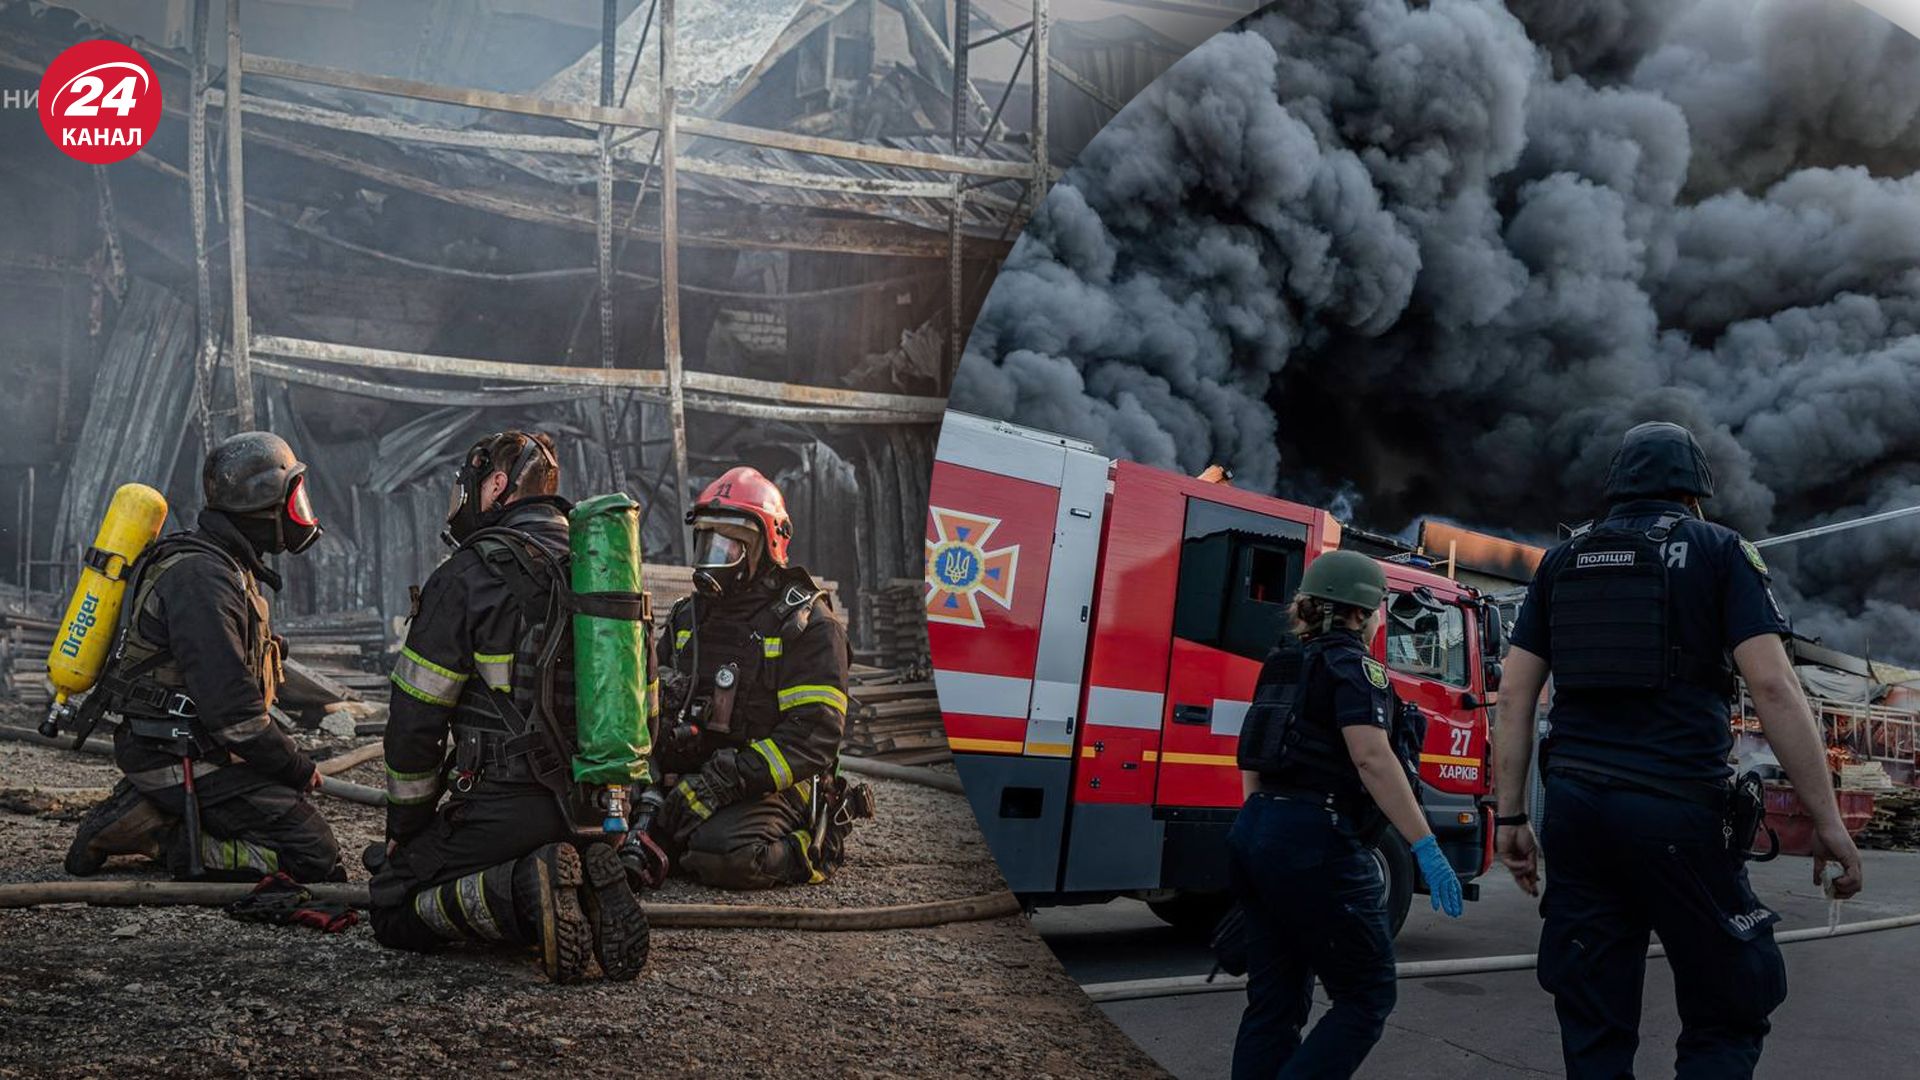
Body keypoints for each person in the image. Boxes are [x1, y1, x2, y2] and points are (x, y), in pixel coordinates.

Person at [1493, 420, 1865, 1079]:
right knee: (1729, 1002)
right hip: (1675, 812)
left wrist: (1512, 819)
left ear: (1615, 490)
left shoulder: (1561, 561)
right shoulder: (1720, 551)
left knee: (1592, 1023)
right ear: (1696, 494)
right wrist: (1828, 822)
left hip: (1575, 814)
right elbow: (1774, 688)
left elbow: (1516, 697)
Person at [368, 431, 649, 985]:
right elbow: (646, 707)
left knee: (393, 904)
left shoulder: (468, 575)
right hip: (602, 806)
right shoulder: (603, 576)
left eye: (469, 487)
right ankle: (588, 884)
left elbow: (414, 723)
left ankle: (527, 890)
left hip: (509, 804)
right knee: (557, 855)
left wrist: (407, 826)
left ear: (497, 486)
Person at [65, 432, 344, 883]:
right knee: (313, 856)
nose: (301, 513)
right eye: (293, 498)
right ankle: (158, 834)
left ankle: (153, 807)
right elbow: (234, 713)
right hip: (175, 753)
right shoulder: (203, 579)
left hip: (201, 745)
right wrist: (294, 766)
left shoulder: (226, 564)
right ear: (261, 506)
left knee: (298, 827)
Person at [1229, 549, 1464, 1080]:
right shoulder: (1357, 667)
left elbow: (1254, 755)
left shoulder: (1281, 662)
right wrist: (1425, 845)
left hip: (1257, 827)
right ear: (1360, 612)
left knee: (1275, 1003)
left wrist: (1268, 841)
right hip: (1317, 839)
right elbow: (1371, 757)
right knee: (1366, 997)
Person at [652, 466, 863, 889]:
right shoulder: (687, 617)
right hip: (698, 777)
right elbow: (655, 704)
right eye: (706, 543)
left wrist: (726, 779)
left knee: (724, 856)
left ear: (764, 546)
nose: (712, 558)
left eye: (727, 546)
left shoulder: (807, 625)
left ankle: (816, 846)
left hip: (773, 784)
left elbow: (814, 738)